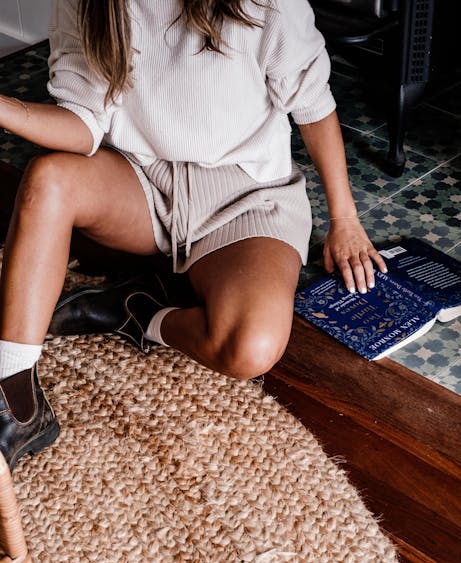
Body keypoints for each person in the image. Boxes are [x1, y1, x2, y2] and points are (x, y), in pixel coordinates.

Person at [0, 0, 387, 470]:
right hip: (143, 183)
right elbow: (84, 123)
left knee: (250, 348)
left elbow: (314, 106)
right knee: (48, 178)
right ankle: (15, 397)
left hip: (247, 197)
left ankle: (137, 311)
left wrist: (344, 220)